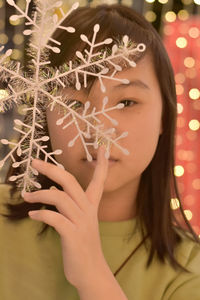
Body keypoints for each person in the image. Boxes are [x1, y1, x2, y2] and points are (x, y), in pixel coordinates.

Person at [0, 3, 200, 300]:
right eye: (75, 104)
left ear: (164, 117)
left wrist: (93, 275)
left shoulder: (189, 268)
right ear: (44, 116)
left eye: (126, 103)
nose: (98, 127)